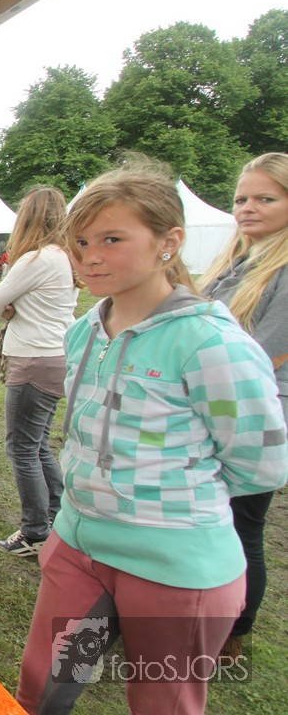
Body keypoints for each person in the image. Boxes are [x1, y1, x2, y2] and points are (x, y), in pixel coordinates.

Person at [16, 162, 287, 714]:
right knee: (43, 692)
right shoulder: (83, 331)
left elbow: (260, 465)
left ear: (169, 242)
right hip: (80, 552)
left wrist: (167, 500)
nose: (90, 256)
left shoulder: (210, 343)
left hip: (175, 570)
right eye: (81, 242)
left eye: (111, 239)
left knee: (163, 703)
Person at [200, 152, 288, 659]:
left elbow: (265, 355)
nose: (247, 208)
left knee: (241, 524)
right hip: (209, 407)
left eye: (265, 198)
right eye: (241, 199)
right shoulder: (234, 262)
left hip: (254, 415)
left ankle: (233, 632)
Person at [0, 187, 78, 558]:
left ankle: (36, 530)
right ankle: (57, 514)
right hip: (55, 357)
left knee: (21, 448)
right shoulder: (63, 257)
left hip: (34, 360)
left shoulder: (37, 259)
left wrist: (9, 305)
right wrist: (14, 305)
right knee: (36, 444)